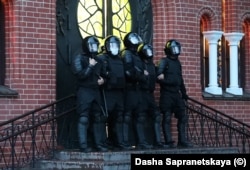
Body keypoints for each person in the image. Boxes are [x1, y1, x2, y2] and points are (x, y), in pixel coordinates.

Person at [71, 35, 108, 152]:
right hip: (84, 91)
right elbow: (81, 75)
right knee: (84, 118)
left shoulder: (98, 59)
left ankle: (99, 144)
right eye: (92, 45)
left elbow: (104, 74)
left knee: (98, 118)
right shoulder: (79, 58)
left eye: (96, 45)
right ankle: (83, 145)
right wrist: (90, 66)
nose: (94, 47)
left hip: (96, 91)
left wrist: (103, 80)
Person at [156, 39, 193, 148]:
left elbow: (180, 79)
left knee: (182, 116)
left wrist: (184, 92)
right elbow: (159, 77)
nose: (176, 51)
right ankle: (168, 141)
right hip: (167, 93)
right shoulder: (164, 61)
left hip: (176, 93)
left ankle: (182, 140)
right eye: (174, 49)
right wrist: (167, 80)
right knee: (167, 117)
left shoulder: (177, 63)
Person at [121, 32, 152, 149]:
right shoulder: (126, 54)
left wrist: (142, 75)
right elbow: (129, 72)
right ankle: (124, 142)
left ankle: (141, 141)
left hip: (138, 90)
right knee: (127, 116)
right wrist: (141, 75)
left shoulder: (137, 55)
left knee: (140, 116)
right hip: (129, 89)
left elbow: (144, 71)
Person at [98, 35, 130, 150]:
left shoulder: (120, 59)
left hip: (119, 92)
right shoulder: (102, 58)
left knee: (118, 118)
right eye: (112, 45)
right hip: (108, 91)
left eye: (116, 45)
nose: (114, 48)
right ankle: (104, 142)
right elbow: (99, 74)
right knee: (105, 117)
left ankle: (118, 141)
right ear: (107, 46)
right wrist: (105, 79)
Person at [137, 43, 166, 149]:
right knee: (140, 117)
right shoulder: (139, 64)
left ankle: (157, 141)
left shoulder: (152, 65)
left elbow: (158, 75)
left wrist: (160, 76)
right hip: (140, 93)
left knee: (157, 116)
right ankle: (141, 142)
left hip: (150, 94)